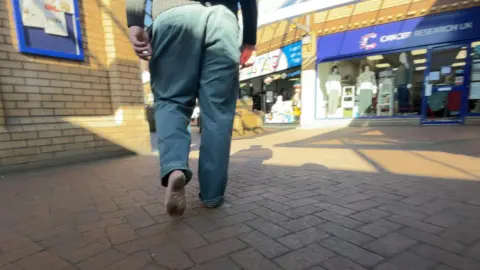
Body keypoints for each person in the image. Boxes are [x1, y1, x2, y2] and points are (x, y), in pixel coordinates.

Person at [126, 0, 257, 216]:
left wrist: (135, 22)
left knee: (171, 101)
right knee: (218, 113)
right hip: (223, 18)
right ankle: (212, 196)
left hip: (172, 15)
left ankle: (175, 167)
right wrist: (249, 38)